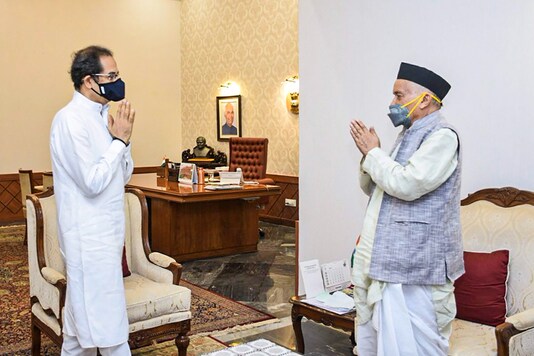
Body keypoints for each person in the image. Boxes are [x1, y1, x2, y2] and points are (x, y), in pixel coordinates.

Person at [349, 62, 464, 355]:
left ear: (425, 99)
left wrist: (373, 152)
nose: (393, 103)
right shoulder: (407, 135)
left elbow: (407, 184)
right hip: (386, 259)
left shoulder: (442, 136)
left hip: (417, 265)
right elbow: (374, 187)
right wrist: (370, 156)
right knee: (376, 341)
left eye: (399, 96)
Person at [50, 45, 135, 355]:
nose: (117, 81)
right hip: (88, 240)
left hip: (108, 237)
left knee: (77, 334)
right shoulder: (69, 121)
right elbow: (92, 183)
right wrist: (119, 141)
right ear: (88, 80)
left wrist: (122, 141)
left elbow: (122, 176)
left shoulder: (103, 117)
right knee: (110, 330)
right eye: (110, 75)